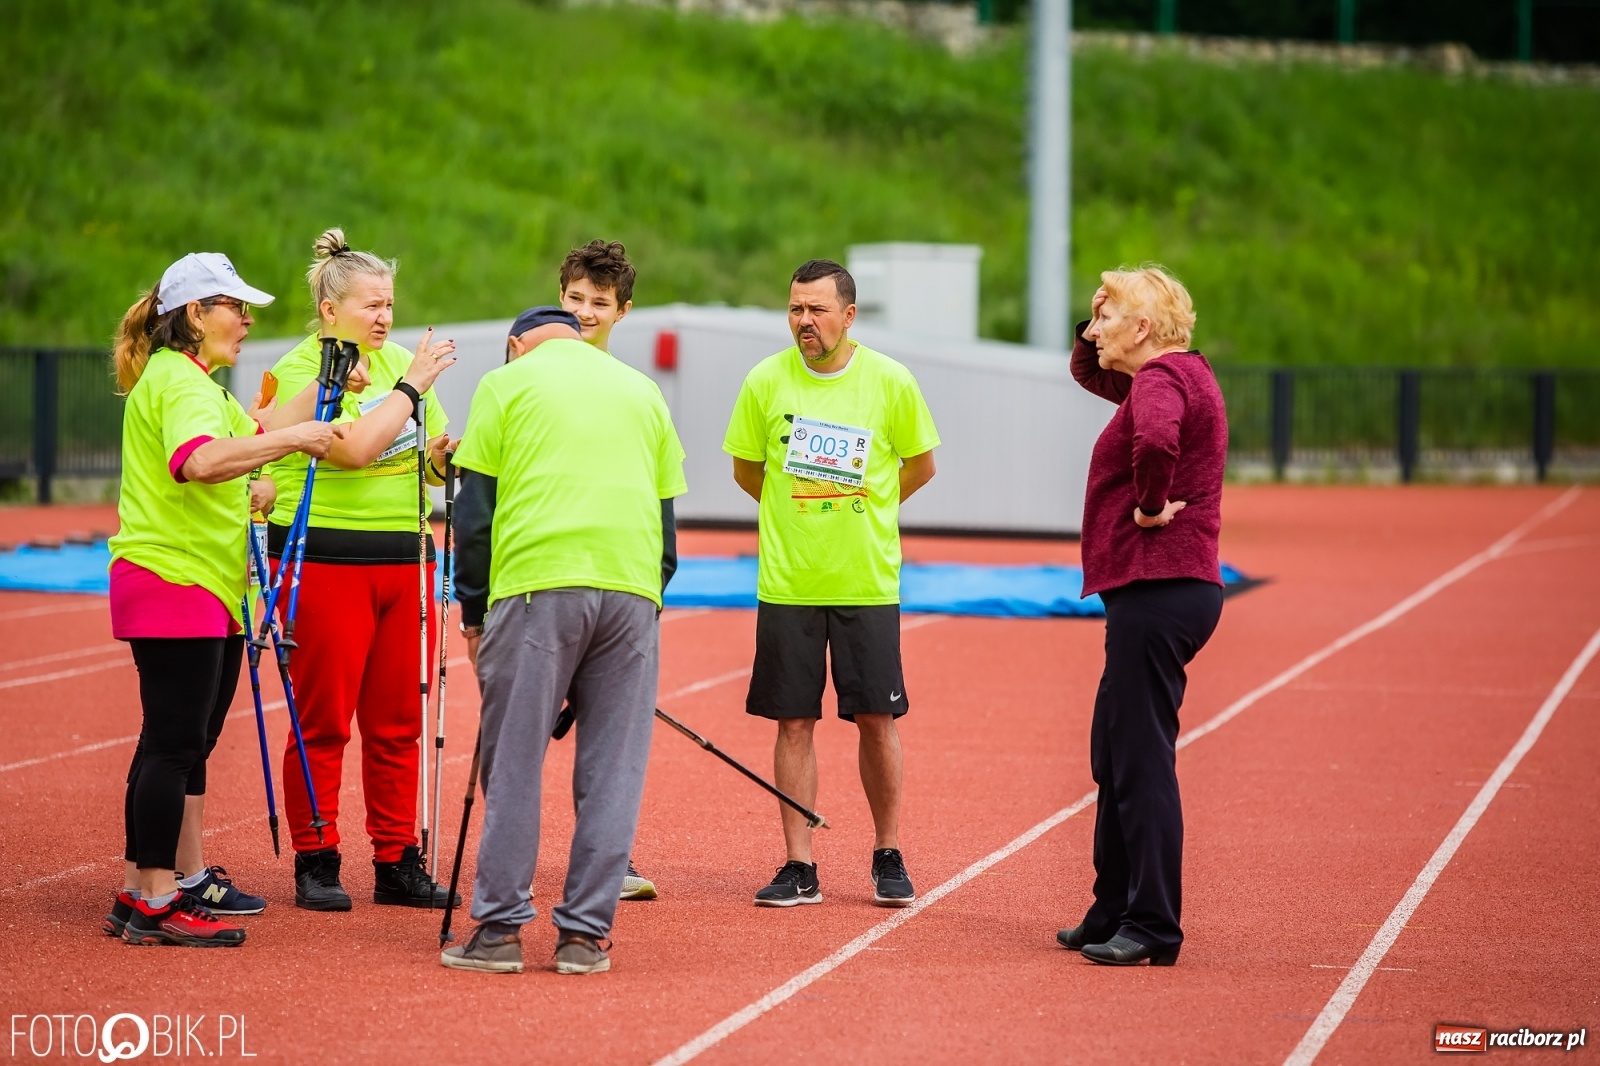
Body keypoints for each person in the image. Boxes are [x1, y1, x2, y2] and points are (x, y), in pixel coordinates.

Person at [104, 253, 342, 946]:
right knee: (174, 745)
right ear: (193, 315)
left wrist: (325, 392)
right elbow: (201, 460)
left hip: (195, 581)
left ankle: (139, 888)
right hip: (174, 578)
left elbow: (254, 436)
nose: (246, 319)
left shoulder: (192, 380)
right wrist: (301, 439)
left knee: (175, 743)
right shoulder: (181, 385)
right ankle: (152, 899)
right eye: (233, 307)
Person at [442, 306, 686, 975]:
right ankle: (584, 936)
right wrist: (644, 601)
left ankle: (497, 931)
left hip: (537, 584)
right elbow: (667, 527)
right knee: (614, 770)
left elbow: (473, 510)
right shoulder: (643, 391)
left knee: (515, 763)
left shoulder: (506, 384)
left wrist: (473, 613)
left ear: (516, 345)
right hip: (632, 590)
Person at [723, 259, 939, 909]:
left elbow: (920, 466)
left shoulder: (889, 381)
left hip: (866, 582)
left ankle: (888, 850)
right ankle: (799, 862)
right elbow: (746, 470)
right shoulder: (765, 381)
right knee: (793, 722)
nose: (804, 322)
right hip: (788, 583)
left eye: (817, 310)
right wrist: (794, 515)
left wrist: (870, 506)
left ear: (849, 316)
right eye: (795, 309)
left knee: (877, 717)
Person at [263, 228, 458, 912]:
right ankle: (317, 857)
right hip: (324, 559)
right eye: (372, 305)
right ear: (330, 310)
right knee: (323, 719)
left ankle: (396, 858)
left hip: (403, 559)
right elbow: (346, 450)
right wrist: (409, 388)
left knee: (399, 719)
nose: (384, 317)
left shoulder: (404, 362)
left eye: (390, 304)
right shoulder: (301, 370)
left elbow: (420, 466)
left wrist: (441, 458)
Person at [1057, 266, 1227, 967]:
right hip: (1162, 590)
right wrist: (1089, 317)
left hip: (1159, 586)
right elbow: (1091, 375)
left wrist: (1152, 506)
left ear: (1144, 330)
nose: (1094, 333)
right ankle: (1111, 908)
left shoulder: (1161, 383)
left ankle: (1153, 924)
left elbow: (1153, 441)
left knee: (1140, 761)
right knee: (1114, 751)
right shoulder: (1176, 373)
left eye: (1105, 320)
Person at [557, 238, 656, 903]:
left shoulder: (637, 393)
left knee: (608, 745)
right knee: (517, 741)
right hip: (538, 585)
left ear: (622, 311)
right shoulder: (521, 376)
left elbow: (657, 498)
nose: (584, 311)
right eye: (574, 298)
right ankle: (501, 866)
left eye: (598, 302)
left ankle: (605, 864)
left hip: (617, 588)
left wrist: (653, 590)